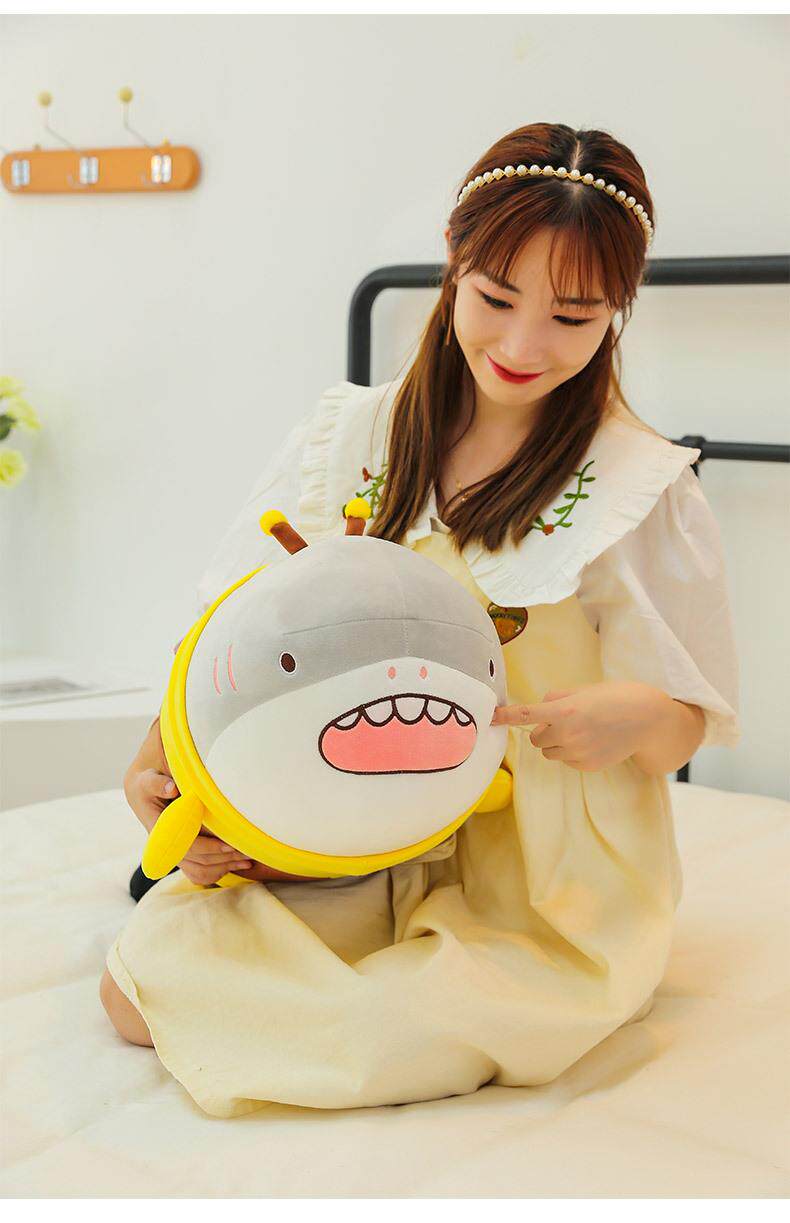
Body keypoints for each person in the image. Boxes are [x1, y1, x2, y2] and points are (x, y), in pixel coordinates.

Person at [100, 122, 739, 1117]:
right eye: (495, 298)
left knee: (372, 1019)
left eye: (573, 316)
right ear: (453, 259)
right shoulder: (351, 437)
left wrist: (632, 714)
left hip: (536, 874)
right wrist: (160, 779)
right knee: (139, 990)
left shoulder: (633, 486)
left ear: (617, 308)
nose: (523, 346)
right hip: (356, 820)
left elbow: (683, 726)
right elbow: (235, 624)